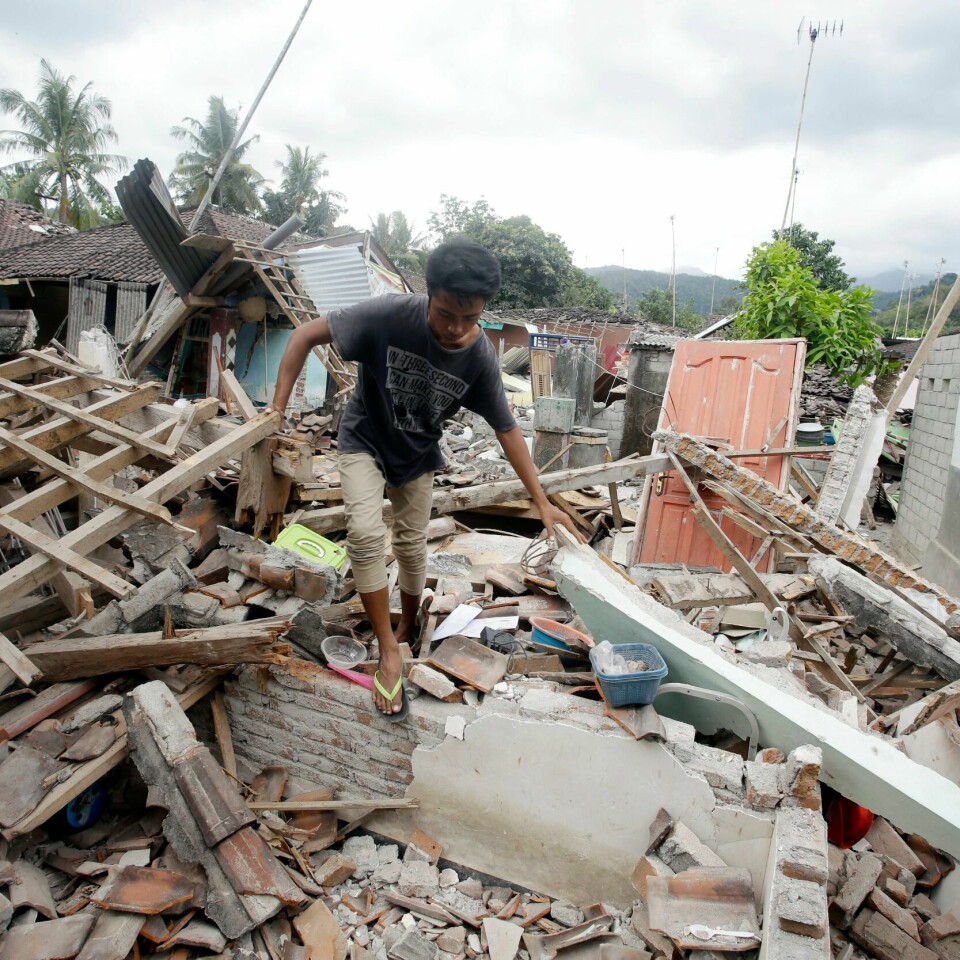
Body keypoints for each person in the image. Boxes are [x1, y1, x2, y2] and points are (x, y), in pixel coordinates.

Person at [267, 238, 582, 719]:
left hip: (417, 455)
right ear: (428, 295)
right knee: (366, 536)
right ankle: (389, 651)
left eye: (469, 318)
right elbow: (304, 335)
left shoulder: (478, 357)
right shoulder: (390, 315)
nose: (456, 329)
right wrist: (277, 408)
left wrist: (541, 501)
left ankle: (406, 624)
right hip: (364, 439)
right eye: (445, 314)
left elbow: (507, 429)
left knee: (411, 547)